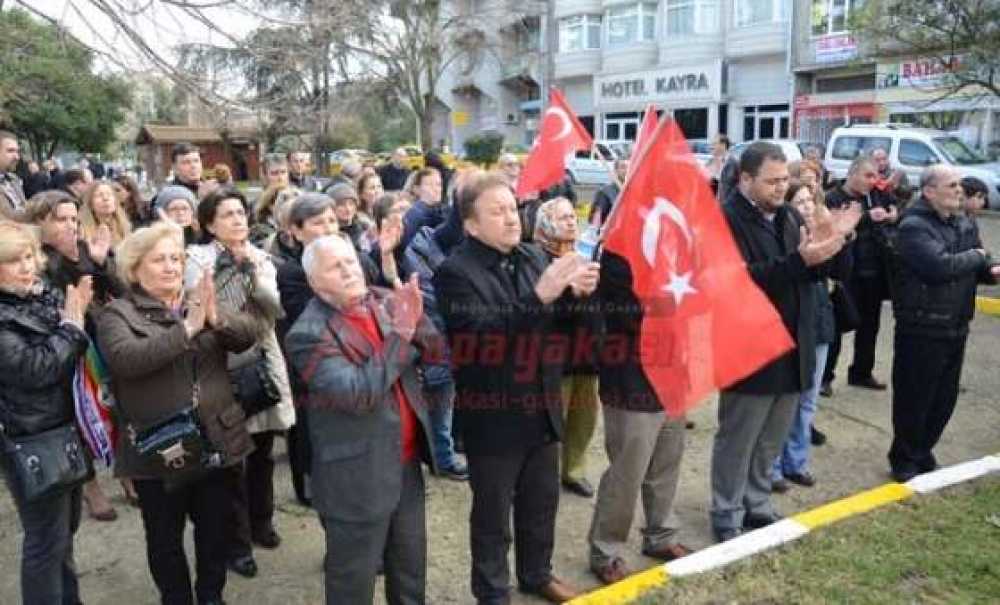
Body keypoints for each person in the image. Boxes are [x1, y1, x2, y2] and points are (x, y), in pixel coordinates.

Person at [434, 172, 599, 604]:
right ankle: (492, 593)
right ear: (471, 224)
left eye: (512, 208)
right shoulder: (454, 272)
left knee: (540, 504)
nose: (511, 218)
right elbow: (481, 339)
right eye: (497, 211)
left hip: (541, 405)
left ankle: (536, 574)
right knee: (492, 517)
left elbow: (555, 327)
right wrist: (541, 297)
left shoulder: (530, 257)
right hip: (494, 414)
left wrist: (575, 297)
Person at [97, 221, 258, 605]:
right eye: (159, 260)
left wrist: (217, 320)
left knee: (215, 530)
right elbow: (127, 359)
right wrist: (187, 328)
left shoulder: (198, 297)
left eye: (176, 258)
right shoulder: (117, 314)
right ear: (135, 269)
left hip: (217, 435)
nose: (171, 266)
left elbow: (248, 336)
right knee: (164, 538)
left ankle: (211, 596)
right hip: (159, 445)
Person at [285, 235, 438, 604]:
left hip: (405, 464)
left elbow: (433, 350)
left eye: (351, 261)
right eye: (335, 267)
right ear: (315, 282)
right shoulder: (306, 334)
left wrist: (415, 315)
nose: (349, 270)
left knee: (410, 571)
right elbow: (357, 393)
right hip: (355, 475)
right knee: (353, 581)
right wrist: (402, 332)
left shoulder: (382, 300)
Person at [712, 142, 850, 543]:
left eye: (784, 179)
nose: (780, 187)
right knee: (738, 437)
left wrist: (832, 246)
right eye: (772, 181)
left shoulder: (788, 215)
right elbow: (735, 281)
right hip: (748, 348)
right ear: (746, 179)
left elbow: (807, 270)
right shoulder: (724, 220)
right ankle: (726, 510)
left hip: (795, 341)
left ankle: (756, 501)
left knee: (773, 434)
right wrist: (799, 262)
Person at [185, 188, 296, 579]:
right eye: (227, 214)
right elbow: (198, 309)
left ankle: (263, 522)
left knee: (262, 451)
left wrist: (250, 270)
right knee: (232, 460)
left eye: (240, 213)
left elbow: (271, 309)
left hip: (260, 361)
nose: (237, 220)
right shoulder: (197, 261)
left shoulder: (262, 258)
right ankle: (237, 541)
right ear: (209, 223)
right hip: (219, 366)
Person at [887, 165, 1000, 481]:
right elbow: (938, 267)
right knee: (915, 396)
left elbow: (979, 256)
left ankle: (923, 450)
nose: (959, 190)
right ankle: (904, 458)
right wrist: (978, 258)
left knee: (943, 397)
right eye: (951, 185)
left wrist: (989, 267)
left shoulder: (962, 221)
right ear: (929, 191)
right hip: (922, 325)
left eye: (960, 185)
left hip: (956, 322)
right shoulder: (914, 226)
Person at [0, 220, 92, 605]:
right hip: (31, 436)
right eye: (12, 261)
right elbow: (35, 370)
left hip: (63, 427)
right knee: (45, 541)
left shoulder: (37, 296)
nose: (26, 267)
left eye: (28, 257)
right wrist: (71, 325)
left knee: (63, 535)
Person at [770, 182, 856, 493]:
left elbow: (843, 272)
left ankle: (796, 462)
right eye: (800, 200)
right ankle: (773, 467)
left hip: (819, 325)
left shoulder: (823, 230)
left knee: (807, 401)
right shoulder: (784, 235)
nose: (806, 206)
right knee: (784, 403)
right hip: (792, 327)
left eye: (810, 199)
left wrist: (839, 238)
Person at [532, 198, 600, 500]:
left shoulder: (581, 257)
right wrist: (570, 293)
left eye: (573, 216)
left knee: (583, 419)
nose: (571, 222)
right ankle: (544, 474)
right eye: (562, 218)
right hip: (555, 359)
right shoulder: (535, 260)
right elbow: (541, 309)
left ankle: (574, 471)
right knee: (553, 421)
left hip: (586, 356)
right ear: (545, 224)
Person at [823, 156, 896, 393]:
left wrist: (893, 213)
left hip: (873, 270)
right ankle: (825, 377)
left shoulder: (874, 194)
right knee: (837, 326)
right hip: (846, 272)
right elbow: (831, 227)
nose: (872, 181)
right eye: (867, 175)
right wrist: (865, 217)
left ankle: (861, 372)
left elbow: (894, 205)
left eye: (875, 176)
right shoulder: (834, 196)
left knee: (870, 326)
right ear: (853, 173)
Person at [80, 181, 132, 247]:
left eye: (109, 194)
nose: (105, 198)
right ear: (90, 204)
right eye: (99, 195)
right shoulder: (82, 229)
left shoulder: (124, 225)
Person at [326, 182, 370, 255]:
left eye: (351, 204)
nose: (348, 209)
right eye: (341, 205)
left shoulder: (364, 228)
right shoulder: (328, 232)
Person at [588, 159, 628, 227]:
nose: (626, 170)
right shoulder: (605, 192)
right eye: (623, 167)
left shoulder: (633, 191)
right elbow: (595, 220)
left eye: (629, 167)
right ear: (616, 170)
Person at [0, 130, 28, 221]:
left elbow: (24, 207)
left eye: (17, 152)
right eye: (10, 151)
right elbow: (7, 218)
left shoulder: (14, 179)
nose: (16, 157)